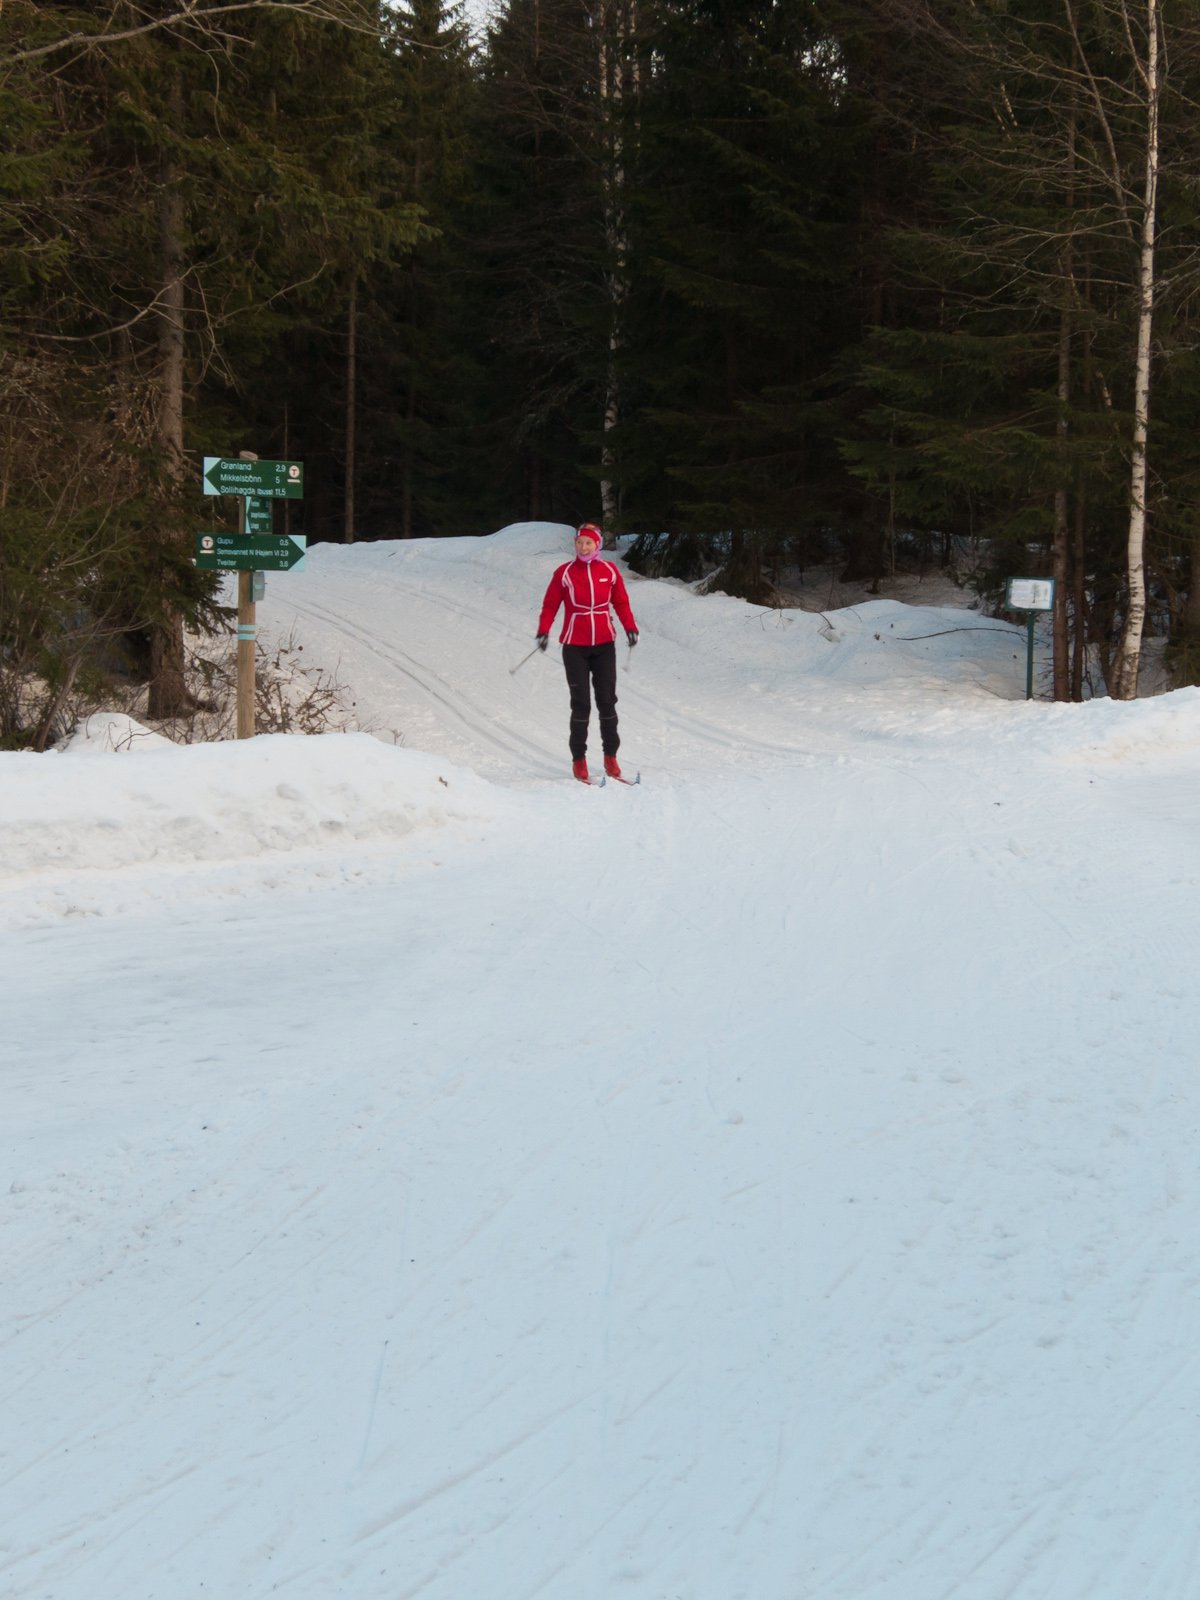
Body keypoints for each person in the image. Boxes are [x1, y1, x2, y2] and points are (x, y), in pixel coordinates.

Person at [536, 522, 638, 782]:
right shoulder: (565, 573)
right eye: (580, 542)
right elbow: (550, 604)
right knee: (581, 704)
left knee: (607, 701)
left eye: (588, 543)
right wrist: (543, 630)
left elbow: (621, 602)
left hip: (604, 645)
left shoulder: (609, 571)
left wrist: (630, 627)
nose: (583, 547)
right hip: (574, 647)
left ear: (597, 545)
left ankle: (610, 757)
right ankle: (579, 760)